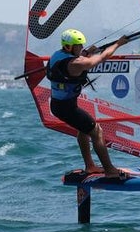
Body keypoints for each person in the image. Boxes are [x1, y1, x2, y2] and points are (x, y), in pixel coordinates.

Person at [46, 28, 129, 179]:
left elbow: (73, 59)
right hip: (66, 108)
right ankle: (110, 170)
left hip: (60, 105)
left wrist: (87, 51)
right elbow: (103, 57)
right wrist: (118, 43)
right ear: (69, 47)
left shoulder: (57, 55)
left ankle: (90, 166)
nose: (81, 48)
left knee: (83, 129)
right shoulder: (77, 63)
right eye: (79, 46)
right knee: (96, 131)